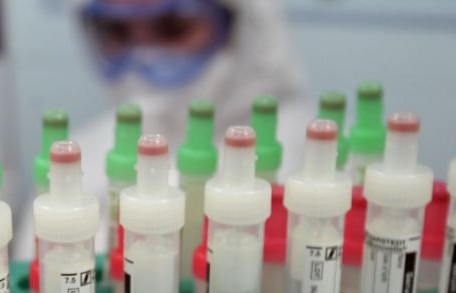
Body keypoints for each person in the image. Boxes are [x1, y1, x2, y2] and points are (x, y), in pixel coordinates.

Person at [67, 0, 311, 254]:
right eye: (117, 30)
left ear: (242, 27)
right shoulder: (81, 155)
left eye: (172, 27)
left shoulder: (303, 160)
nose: (145, 54)